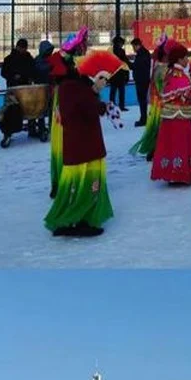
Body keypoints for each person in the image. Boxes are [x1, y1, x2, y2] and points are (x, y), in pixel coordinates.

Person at [44, 50, 127, 237]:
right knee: (84, 184)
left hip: (81, 146)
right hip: (84, 147)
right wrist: (97, 99)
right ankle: (80, 220)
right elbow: (88, 110)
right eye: (102, 79)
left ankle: (74, 218)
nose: (104, 83)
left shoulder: (71, 88)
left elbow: (87, 107)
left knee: (79, 185)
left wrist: (95, 95)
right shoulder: (74, 89)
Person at [151, 42, 191, 185]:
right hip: (179, 117)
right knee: (180, 143)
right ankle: (179, 173)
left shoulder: (170, 72)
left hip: (172, 116)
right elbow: (186, 95)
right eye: (185, 57)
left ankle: (173, 172)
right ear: (179, 59)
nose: (187, 60)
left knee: (171, 144)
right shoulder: (178, 75)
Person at [48, 27, 89, 198]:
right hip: (69, 113)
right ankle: (68, 183)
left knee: (60, 147)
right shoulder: (71, 69)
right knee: (68, 146)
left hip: (61, 112)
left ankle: (58, 184)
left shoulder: (60, 64)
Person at [130, 36, 170, 160]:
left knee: (158, 127)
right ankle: (154, 151)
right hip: (161, 104)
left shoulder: (158, 66)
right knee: (159, 128)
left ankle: (155, 150)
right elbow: (163, 88)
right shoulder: (162, 69)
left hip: (157, 102)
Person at [131, 38, 152, 127]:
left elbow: (136, 66)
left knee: (142, 100)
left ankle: (143, 119)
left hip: (142, 80)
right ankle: (143, 118)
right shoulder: (142, 53)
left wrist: (127, 62)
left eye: (133, 47)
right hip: (141, 79)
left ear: (137, 45)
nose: (133, 49)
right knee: (142, 100)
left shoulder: (143, 53)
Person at [109, 36, 130, 111]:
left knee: (116, 91)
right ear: (118, 43)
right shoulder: (112, 51)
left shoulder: (120, 51)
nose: (122, 45)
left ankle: (115, 106)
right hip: (116, 74)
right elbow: (125, 61)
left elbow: (125, 62)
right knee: (116, 91)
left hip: (117, 74)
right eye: (121, 43)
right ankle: (117, 106)